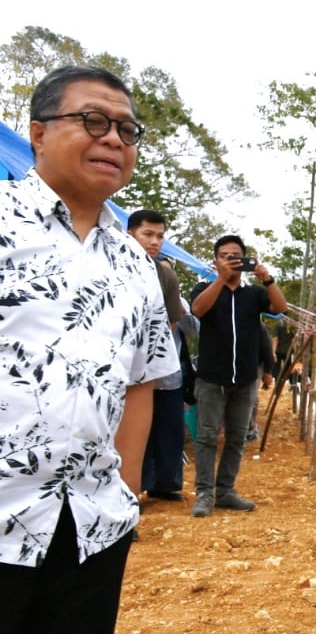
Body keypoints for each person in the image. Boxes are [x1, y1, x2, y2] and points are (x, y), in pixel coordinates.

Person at [0, 65, 179, 634]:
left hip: (88, 532)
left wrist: (127, 488)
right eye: (94, 121)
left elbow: (142, 379)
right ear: (39, 133)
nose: (114, 138)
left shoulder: (137, 264)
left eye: (127, 128)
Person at [188, 235, 286, 517]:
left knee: (236, 438)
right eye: (224, 256)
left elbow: (280, 308)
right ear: (215, 261)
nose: (230, 260)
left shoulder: (253, 295)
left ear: (245, 261)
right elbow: (197, 311)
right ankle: (205, 493)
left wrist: (267, 279)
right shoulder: (204, 289)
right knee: (206, 437)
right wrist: (220, 279)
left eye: (236, 256)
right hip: (211, 378)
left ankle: (226, 490)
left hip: (244, 379)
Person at [127, 209, 189, 502]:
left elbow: (172, 322)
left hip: (157, 362)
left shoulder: (164, 273)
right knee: (128, 433)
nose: (154, 242)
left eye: (160, 236)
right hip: (119, 364)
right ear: (130, 234)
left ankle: (164, 484)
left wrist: (156, 363)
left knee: (166, 426)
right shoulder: (112, 266)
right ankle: (129, 493)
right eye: (147, 234)